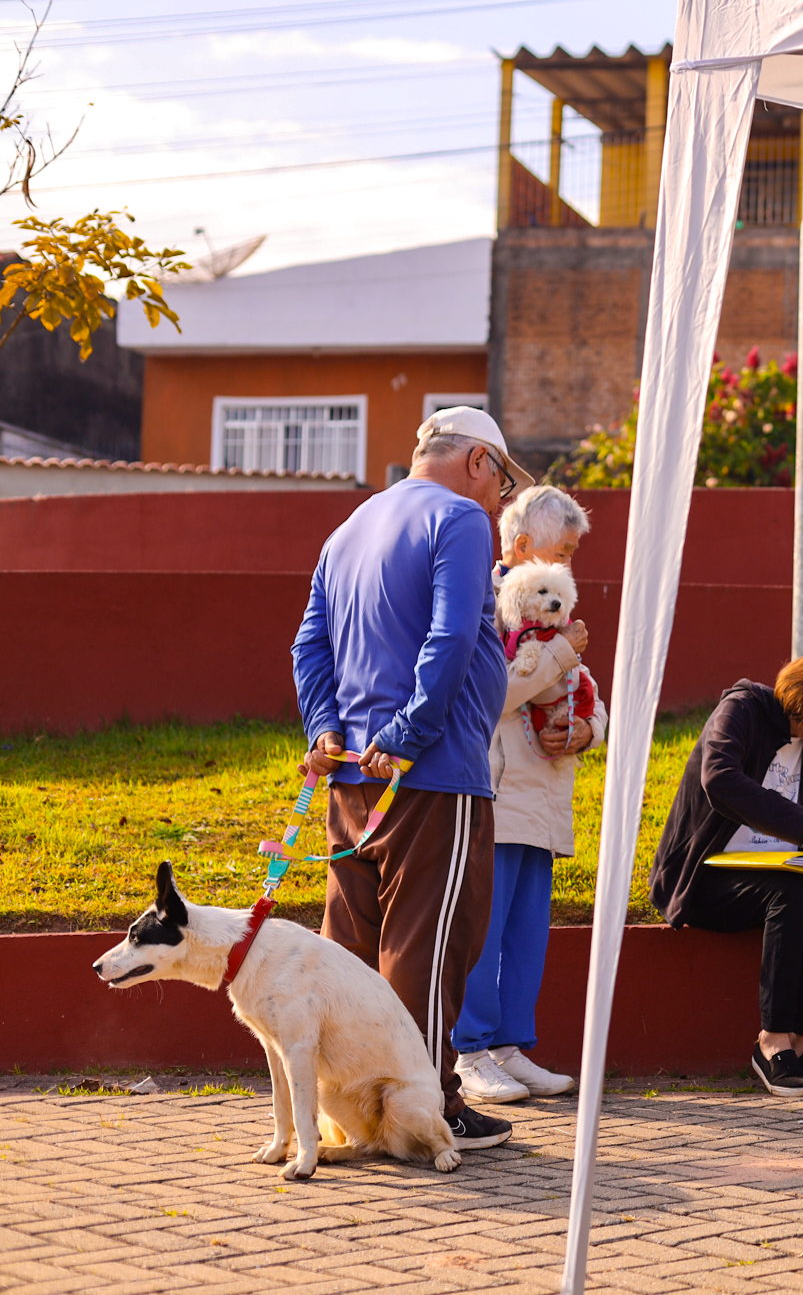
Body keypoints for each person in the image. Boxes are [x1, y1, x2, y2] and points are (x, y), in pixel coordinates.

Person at [291, 406, 530, 1151]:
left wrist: (326, 729)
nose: (500, 500)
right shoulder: (459, 519)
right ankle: (426, 1113)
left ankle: (354, 1111)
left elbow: (309, 644)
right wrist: (408, 733)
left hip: (351, 777)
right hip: (432, 775)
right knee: (428, 949)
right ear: (478, 462)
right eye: (503, 482)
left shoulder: (350, 527)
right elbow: (451, 634)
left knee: (352, 952)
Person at [645, 639, 803, 1097]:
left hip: (775, 872)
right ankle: (771, 1042)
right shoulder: (743, 709)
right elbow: (719, 778)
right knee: (790, 894)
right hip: (703, 878)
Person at [452, 486, 606, 1104]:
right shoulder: (483, 600)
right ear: (520, 546)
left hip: (543, 796)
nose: (568, 564)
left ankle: (511, 1047)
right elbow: (493, 693)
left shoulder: (556, 615)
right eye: (561, 551)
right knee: (482, 931)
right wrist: (563, 653)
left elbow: (588, 691)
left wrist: (587, 730)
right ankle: (469, 1052)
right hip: (494, 792)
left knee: (526, 935)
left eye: (571, 555)